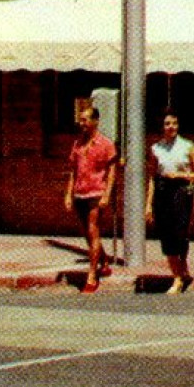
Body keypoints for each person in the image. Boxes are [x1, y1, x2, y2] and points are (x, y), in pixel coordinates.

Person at [146, 112, 194, 294]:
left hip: (181, 190)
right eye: (167, 124)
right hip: (163, 191)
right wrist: (148, 204)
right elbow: (153, 177)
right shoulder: (156, 148)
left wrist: (180, 175)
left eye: (174, 123)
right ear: (162, 127)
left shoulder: (188, 146)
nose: (171, 127)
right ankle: (177, 277)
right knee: (167, 234)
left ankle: (183, 264)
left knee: (180, 232)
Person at [64, 102, 117, 293]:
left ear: (95, 121)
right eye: (81, 120)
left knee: (93, 229)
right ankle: (103, 259)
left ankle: (92, 275)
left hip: (96, 192)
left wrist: (107, 195)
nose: (82, 123)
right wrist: (68, 195)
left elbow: (112, 171)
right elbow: (73, 171)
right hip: (80, 192)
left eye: (85, 120)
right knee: (87, 233)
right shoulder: (77, 144)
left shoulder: (106, 144)